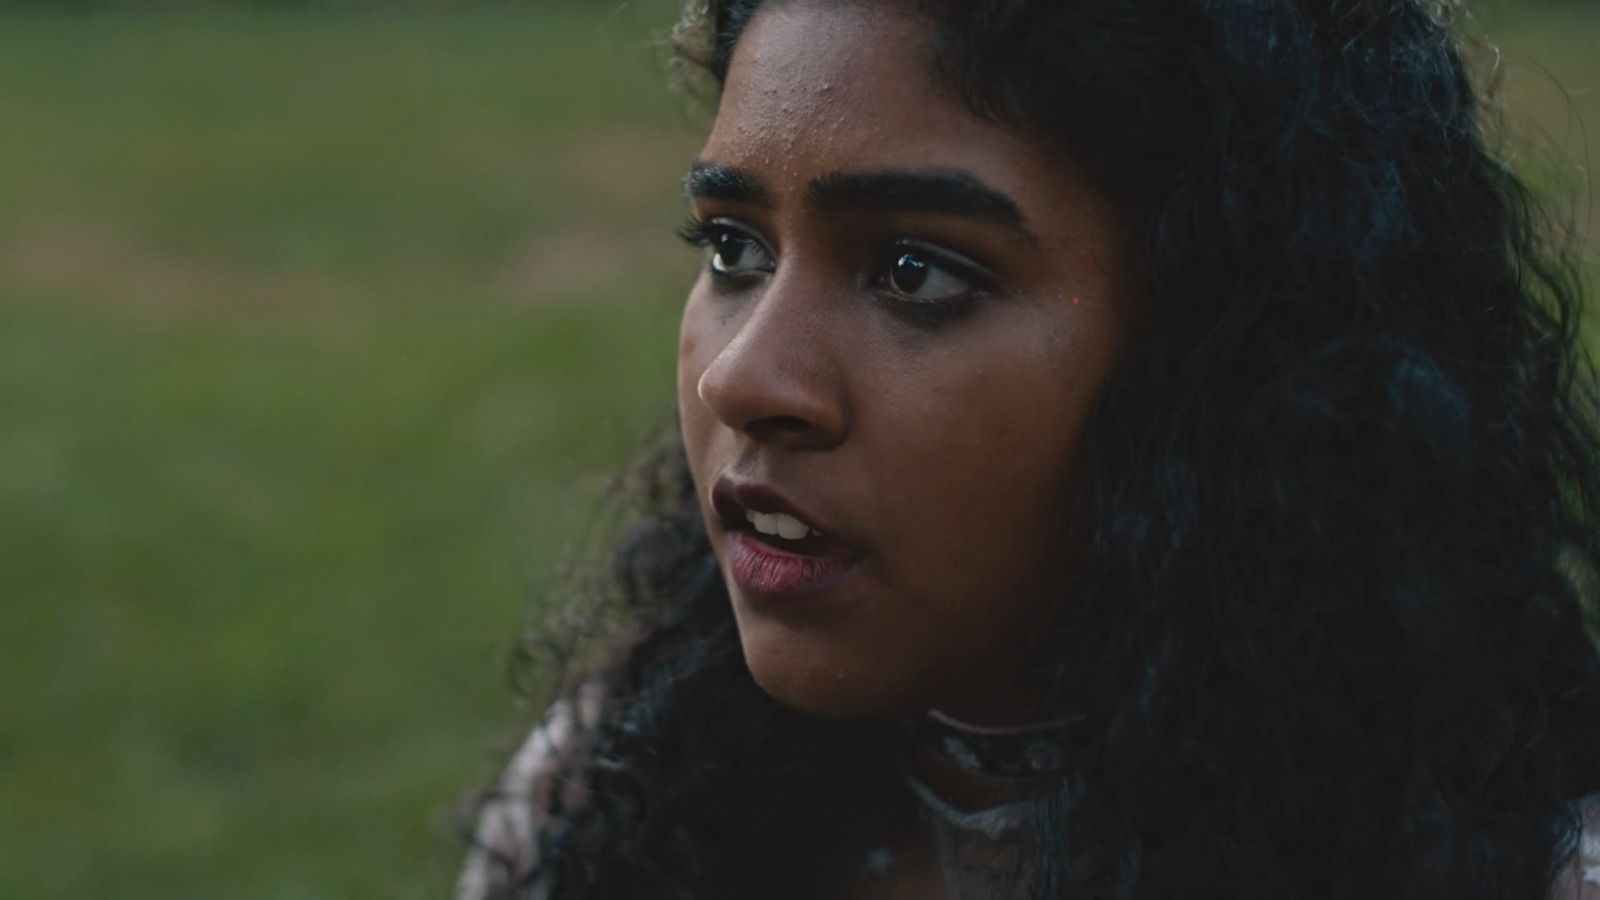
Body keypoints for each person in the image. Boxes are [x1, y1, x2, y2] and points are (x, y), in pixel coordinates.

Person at [458, 0, 1600, 897]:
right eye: (731, 248)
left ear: (1233, 356)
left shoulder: (1502, 869)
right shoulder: (616, 792)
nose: (742, 377)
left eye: (915, 272)